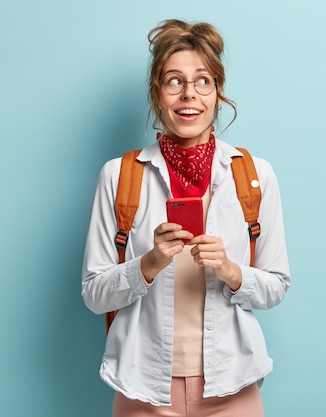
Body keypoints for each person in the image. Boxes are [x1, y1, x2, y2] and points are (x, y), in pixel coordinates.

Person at [81, 19, 290, 417]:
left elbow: (276, 286)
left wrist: (231, 270)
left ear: (218, 92)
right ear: (156, 94)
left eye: (203, 81)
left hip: (233, 387)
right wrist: (149, 263)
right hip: (142, 389)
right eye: (173, 80)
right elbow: (94, 295)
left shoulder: (254, 175)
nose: (188, 94)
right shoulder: (119, 176)